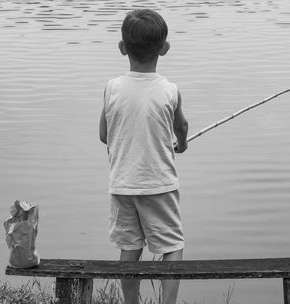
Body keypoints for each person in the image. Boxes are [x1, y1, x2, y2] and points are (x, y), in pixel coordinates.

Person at [98, 9, 189, 304]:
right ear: (164, 48)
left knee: (130, 246)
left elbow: (104, 134)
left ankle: (131, 303)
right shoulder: (170, 90)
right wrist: (182, 143)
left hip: (122, 185)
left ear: (122, 48)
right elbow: (182, 126)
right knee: (172, 245)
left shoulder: (111, 88)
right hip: (159, 185)